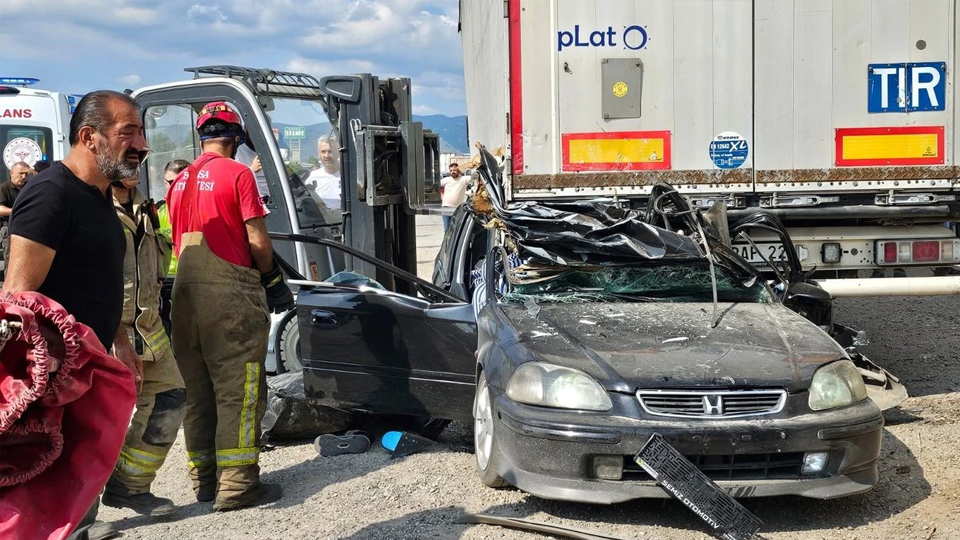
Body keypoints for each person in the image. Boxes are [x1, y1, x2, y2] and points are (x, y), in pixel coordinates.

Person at [2, 89, 145, 540]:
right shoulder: (52, 194)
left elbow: (98, 281)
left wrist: (120, 341)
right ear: (90, 137)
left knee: (75, 485)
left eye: (142, 132)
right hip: (53, 381)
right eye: (129, 133)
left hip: (86, 367)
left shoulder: (99, 197)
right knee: (39, 494)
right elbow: (17, 297)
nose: (142, 144)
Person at [166, 101, 293, 512]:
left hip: (184, 295)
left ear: (201, 136)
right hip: (228, 291)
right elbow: (257, 239)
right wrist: (273, 280)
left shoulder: (179, 179)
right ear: (236, 137)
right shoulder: (238, 173)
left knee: (197, 390)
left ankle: (204, 481)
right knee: (239, 388)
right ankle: (237, 486)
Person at [99, 172, 186, 519]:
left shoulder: (146, 209)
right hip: (104, 334)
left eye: (141, 153)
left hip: (148, 330)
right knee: (95, 424)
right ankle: (79, 518)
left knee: (170, 398)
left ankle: (130, 487)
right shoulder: (91, 208)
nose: (139, 155)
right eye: (129, 150)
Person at [157, 159, 189, 336]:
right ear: (165, 183)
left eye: (181, 182)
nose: (177, 187)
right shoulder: (157, 211)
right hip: (166, 281)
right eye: (171, 182)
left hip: (191, 279)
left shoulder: (199, 208)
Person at [0, 161, 33, 262]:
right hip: (9, 228)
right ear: (12, 173)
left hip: (28, 228)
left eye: (26, 174)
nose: (24, 177)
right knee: (11, 261)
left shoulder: (29, 187)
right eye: (21, 173)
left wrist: (34, 172)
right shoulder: (4, 188)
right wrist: (17, 210)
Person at [305, 134, 341, 210]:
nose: (327, 156)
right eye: (323, 152)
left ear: (338, 153)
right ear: (319, 154)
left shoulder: (347, 176)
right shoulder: (313, 177)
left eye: (330, 151)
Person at [440, 162, 470, 230]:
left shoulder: (464, 179)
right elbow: (435, 186)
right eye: (451, 170)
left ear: (458, 171)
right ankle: (447, 241)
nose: (452, 172)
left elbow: (476, 177)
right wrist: (441, 194)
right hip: (446, 208)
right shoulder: (446, 180)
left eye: (454, 170)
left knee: (456, 229)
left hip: (458, 209)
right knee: (447, 229)